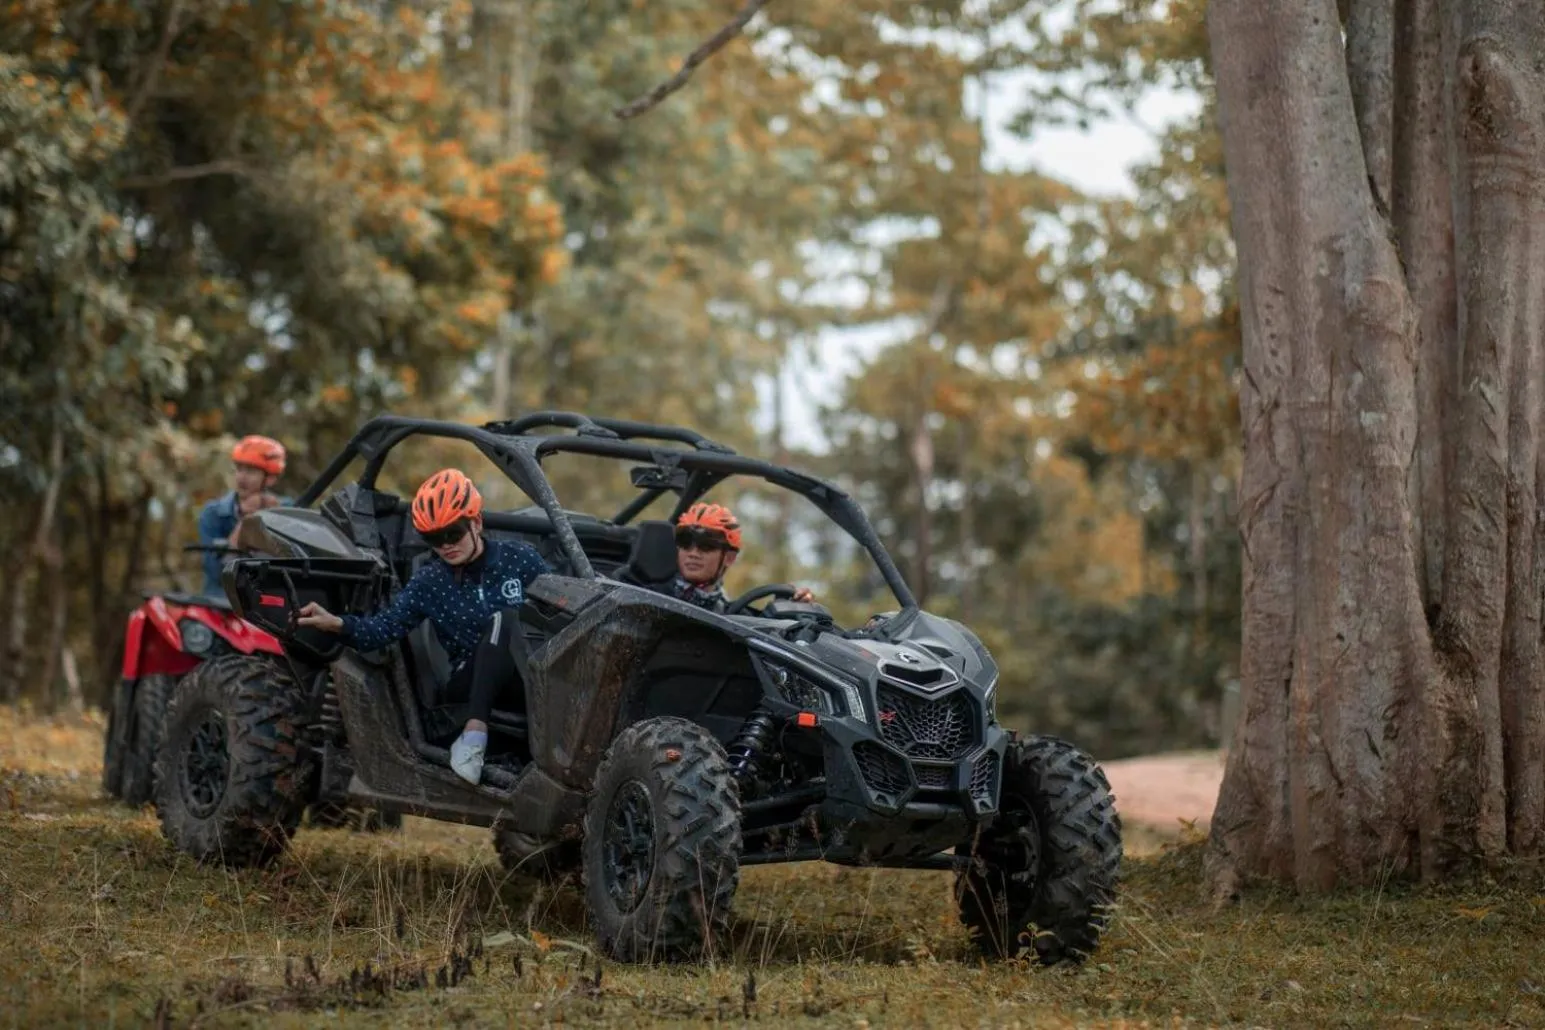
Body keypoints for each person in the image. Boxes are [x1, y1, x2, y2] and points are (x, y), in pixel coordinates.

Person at [295, 468, 550, 786]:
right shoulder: (429, 581)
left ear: (477, 522)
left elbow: (561, 601)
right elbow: (382, 629)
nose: (446, 546)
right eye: (433, 538)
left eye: (453, 533)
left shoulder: (520, 560)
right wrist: (336, 623)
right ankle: (473, 737)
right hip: (465, 684)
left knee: (517, 629)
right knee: (505, 618)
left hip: (524, 678)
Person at [662, 502, 815, 611]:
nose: (693, 553)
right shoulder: (648, 593)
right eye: (685, 543)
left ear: (730, 558)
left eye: (706, 546)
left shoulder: (731, 615)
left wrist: (792, 607)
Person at [197, 435, 288, 597]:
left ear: (271, 479)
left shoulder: (287, 510)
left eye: (251, 471)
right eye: (239, 469)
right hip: (221, 606)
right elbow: (215, 572)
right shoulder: (213, 513)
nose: (242, 477)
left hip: (266, 608)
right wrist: (248, 520)